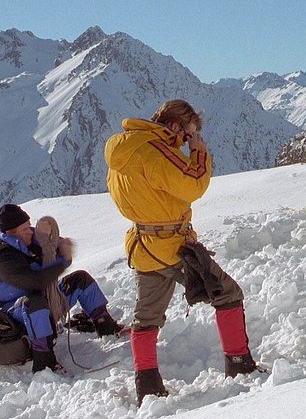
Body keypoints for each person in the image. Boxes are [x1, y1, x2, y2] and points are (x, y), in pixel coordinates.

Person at [104, 99, 257, 407]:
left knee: (146, 317)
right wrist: (198, 152)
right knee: (227, 294)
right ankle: (239, 364)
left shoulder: (124, 148)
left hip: (143, 244)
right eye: (188, 134)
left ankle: (147, 386)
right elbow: (193, 184)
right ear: (175, 126)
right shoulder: (156, 149)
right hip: (173, 246)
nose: (187, 140)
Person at [0, 204, 122, 373]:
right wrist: (62, 261)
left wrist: (58, 245)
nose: (30, 231)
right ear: (11, 233)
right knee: (35, 303)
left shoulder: (26, 241)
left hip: (42, 300)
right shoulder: (3, 259)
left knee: (80, 280)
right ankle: (44, 361)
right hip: (14, 313)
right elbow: (35, 281)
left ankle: (108, 329)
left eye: (29, 226)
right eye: (25, 229)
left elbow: (49, 246)